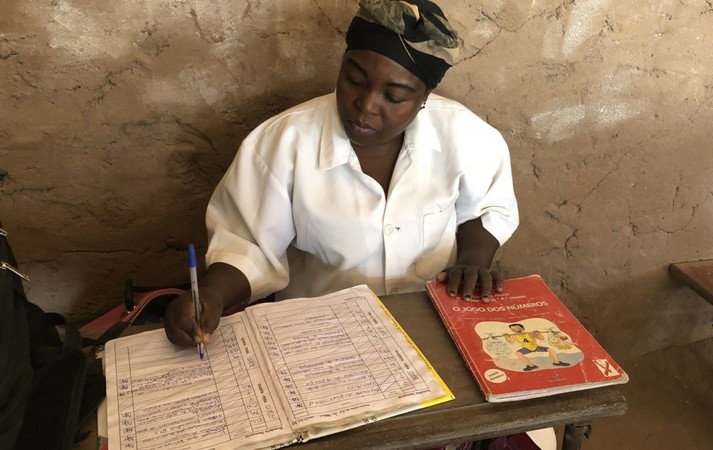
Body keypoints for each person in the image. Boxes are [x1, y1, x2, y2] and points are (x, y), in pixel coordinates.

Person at [164, 0, 518, 352]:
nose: (366, 105)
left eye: (394, 97)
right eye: (354, 80)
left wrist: (473, 261)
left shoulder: (465, 135)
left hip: (433, 328)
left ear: (424, 98)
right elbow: (249, 244)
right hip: (322, 339)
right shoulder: (282, 142)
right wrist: (211, 295)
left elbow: (484, 209)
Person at [505, 323, 571, 371]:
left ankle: (557, 362)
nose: (516, 330)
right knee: (518, 353)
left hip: (536, 347)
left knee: (550, 350)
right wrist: (507, 337)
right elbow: (510, 342)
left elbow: (542, 338)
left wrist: (538, 334)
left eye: (518, 328)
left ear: (523, 328)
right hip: (526, 348)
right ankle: (531, 365)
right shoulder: (514, 336)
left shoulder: (530, 334)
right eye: (513, 329)